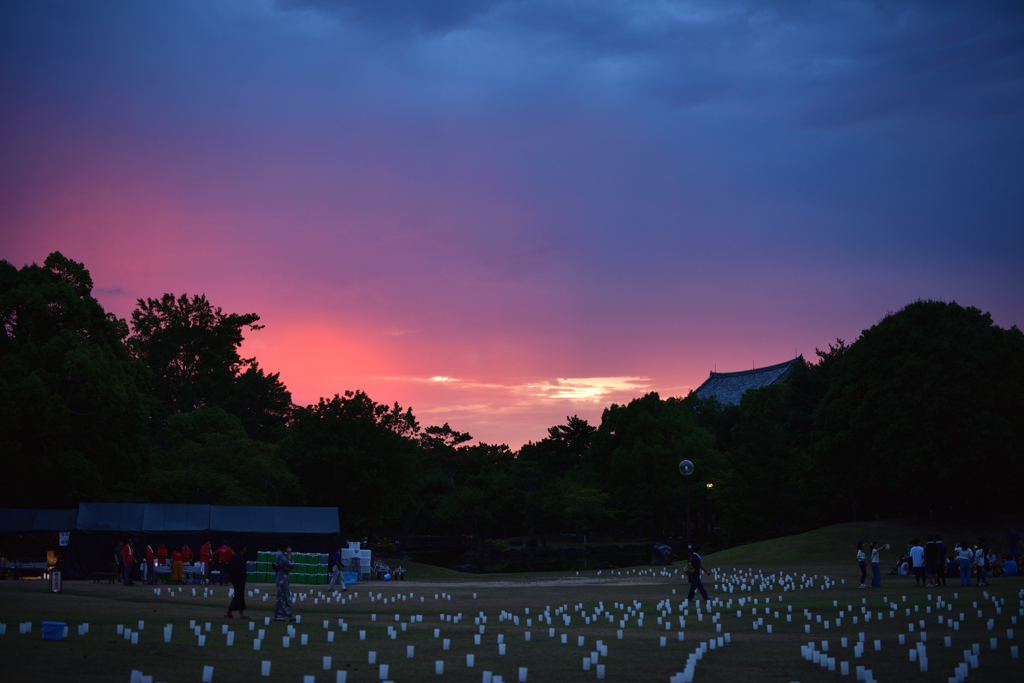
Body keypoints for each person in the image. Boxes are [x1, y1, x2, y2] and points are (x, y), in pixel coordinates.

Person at [224, 543, 250, 619]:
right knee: (239, 594)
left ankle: (240, 612)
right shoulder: (237, 557)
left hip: (240, 578)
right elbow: (232, 568)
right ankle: (230, 610)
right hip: (237, 578)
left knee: (239, 595)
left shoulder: (241, 556)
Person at [274, 539, 296, 622]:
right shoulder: (280, 554)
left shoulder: (281, 554)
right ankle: (282, 615)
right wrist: (289, 555)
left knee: (284, 595)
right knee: (283, 595)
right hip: (281, 577)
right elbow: (290, 564)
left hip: (282, 576)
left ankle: (289, 614)